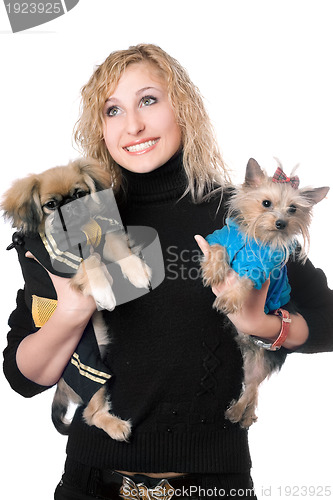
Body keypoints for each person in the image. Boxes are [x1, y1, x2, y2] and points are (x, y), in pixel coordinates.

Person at [3, 44, 333, 500]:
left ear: (183, 107)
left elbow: (328, 321)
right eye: (112, 109)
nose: (133, 124)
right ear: (99, 127)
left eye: (149, 101)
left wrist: (263, 325)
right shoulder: (75, 216)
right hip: (91, 484)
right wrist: (71, 313)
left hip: (215, 486)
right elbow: (21, 376)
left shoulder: (242, 212)